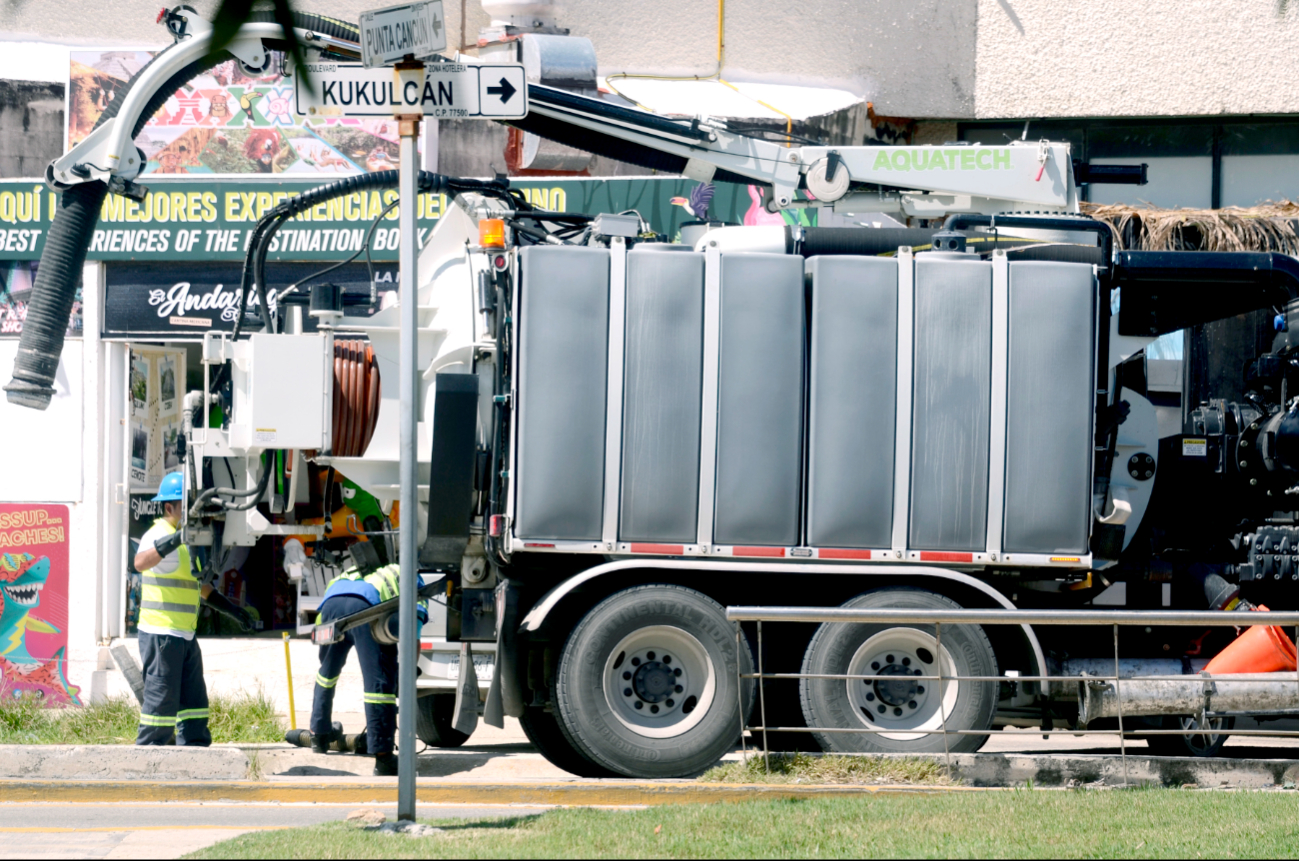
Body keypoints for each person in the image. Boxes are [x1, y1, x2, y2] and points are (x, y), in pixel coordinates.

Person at [133, 472, 253, 746]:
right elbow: (139, 562)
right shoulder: (159, 534)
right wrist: (175, 540)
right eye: (186, 505)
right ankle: (150, 755)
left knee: (195, 701)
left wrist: (232, 610)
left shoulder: (189, 541)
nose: (192, 511)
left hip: (184, 636)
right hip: (161, 634)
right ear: (168, 508)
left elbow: (197, 587)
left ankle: (195, 749)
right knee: (161, 703)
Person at [308, 543, 428, 776]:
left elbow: (324, 651)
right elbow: (413, 631)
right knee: (378, 683)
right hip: (366, 608)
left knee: (327, 672)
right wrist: (406, 672)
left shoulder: (360, 570)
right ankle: (383, 757)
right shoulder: (413, 578)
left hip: (330, 605)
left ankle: (319, 735)